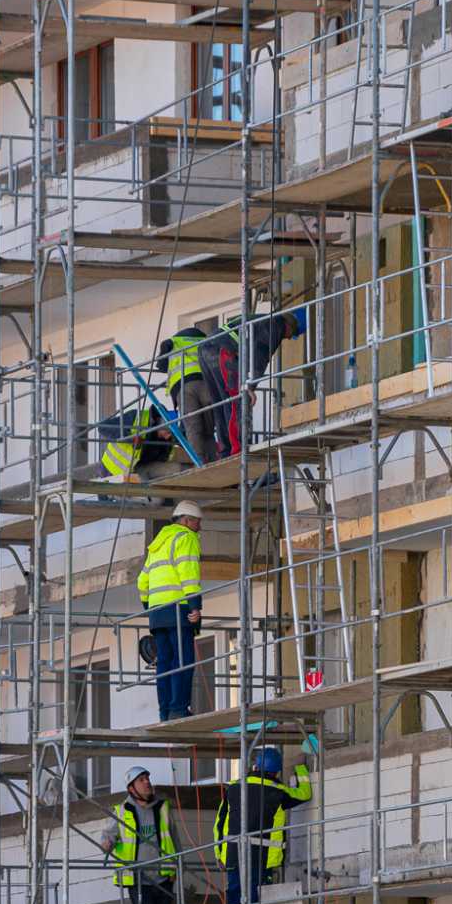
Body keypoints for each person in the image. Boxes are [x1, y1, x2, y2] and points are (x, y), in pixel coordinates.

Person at [214, 742, 315, 904]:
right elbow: (305, 793)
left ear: (255, 767)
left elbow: (219, 824)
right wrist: (300, 768)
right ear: (276, 772)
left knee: (234, 902)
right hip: (259, 857)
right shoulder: (277, 791)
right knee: (252, 900)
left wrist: (219, 854)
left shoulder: (233, 787)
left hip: (232, 855)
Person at [197, 307, 307, 459]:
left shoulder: (262, 321)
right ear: (290, 325)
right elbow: (260, 356)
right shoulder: (276, 325)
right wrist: (249, 387)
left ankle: (225, 450)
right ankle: (237, 450)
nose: (288, 338)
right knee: (236, 401)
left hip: (206, 348)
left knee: (221, 403)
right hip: (223, 351)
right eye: (292, 334)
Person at [107, 765, 178, 904]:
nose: (147, 783)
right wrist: (107, 842)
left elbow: (174, 839)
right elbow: (109, 835)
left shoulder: (162, 808)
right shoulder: (122, 811)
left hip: (163, 878)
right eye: (141, 780)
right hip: (139, 880)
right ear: (132, 787)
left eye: (148, 778)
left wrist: (177, 864)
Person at [138, 502, 203, 721]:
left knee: (164, 663)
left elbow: (142, 580)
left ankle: (164, 711)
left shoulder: (157, 545)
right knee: (182, 661)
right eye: (196, 521)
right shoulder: (185, 538)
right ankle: (178, 708)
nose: (199, 526)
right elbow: (188, 573)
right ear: (186, 520)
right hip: (178, 608)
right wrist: (194, 605)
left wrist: (150, 606)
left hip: (158, 612)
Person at [161, 327, 218, 464]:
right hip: (208, 385)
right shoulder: (207, 340)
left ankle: (199, 463)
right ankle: (213, 460)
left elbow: (162, 366)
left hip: (185, 387)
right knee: (209, 429)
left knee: (193, 428)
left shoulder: (173, 342)